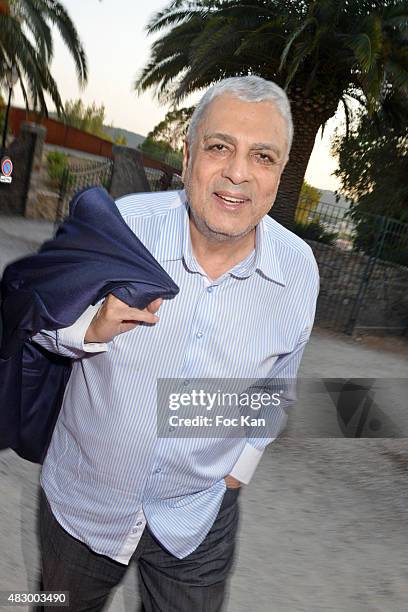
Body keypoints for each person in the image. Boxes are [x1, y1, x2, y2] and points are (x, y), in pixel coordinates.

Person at [32, 75, 319, 612]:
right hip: (83, 509)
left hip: (198, 522)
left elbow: (278, 385)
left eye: (262, 156)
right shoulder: (119, 228)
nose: (237, 173)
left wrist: (241, 468)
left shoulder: (299, 271)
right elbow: (34, 323)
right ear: (188, 156)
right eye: (219, 147)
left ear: (280, 174)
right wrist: (86, 330)